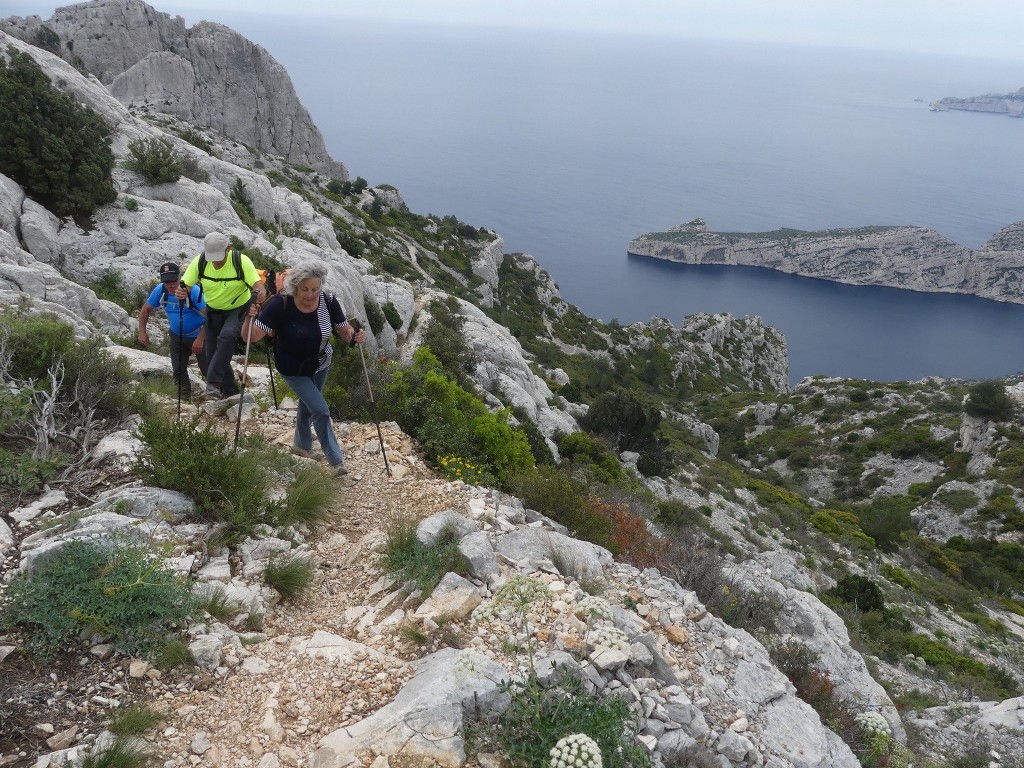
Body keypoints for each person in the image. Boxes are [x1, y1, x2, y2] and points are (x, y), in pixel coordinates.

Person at [242, 261, 365, 476]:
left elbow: (343, 331)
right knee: (320, 409)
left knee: (308, 405)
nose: (310, 294)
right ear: (296, 286)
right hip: (293, 369)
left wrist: (354, 337)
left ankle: (301, 445)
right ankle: (336, 461)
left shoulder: (328, 301)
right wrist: (248, 318)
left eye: (315, 289)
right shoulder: (281, 305)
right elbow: (251, 337)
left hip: (321, 362)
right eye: (305, 289)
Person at [177, 232, 264, 400]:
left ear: (228, 249)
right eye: (212, 257)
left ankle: (213, 382)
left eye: (218, 257)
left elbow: (259, 286)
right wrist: (182, 292)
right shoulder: (200, 262)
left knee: (227, 337)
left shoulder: (241, 261)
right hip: (213, 310)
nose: (215, 262)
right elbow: (185, 286)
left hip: (237, 308)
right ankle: (230, 392)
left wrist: (259, 294)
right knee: (214, 353)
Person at [137, 262, 207, 401]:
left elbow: (210, 316)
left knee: (207, 369)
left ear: (180, 277)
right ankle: (184, 399)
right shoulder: (161, 290)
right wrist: (142, 332)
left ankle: (227, 391)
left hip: (199, 334)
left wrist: (200, 339)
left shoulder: (193, 291)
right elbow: (145, 310)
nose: (170, 285)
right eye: (166, 281)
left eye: (173, 280)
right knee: (178, 370)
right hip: (177, 336)